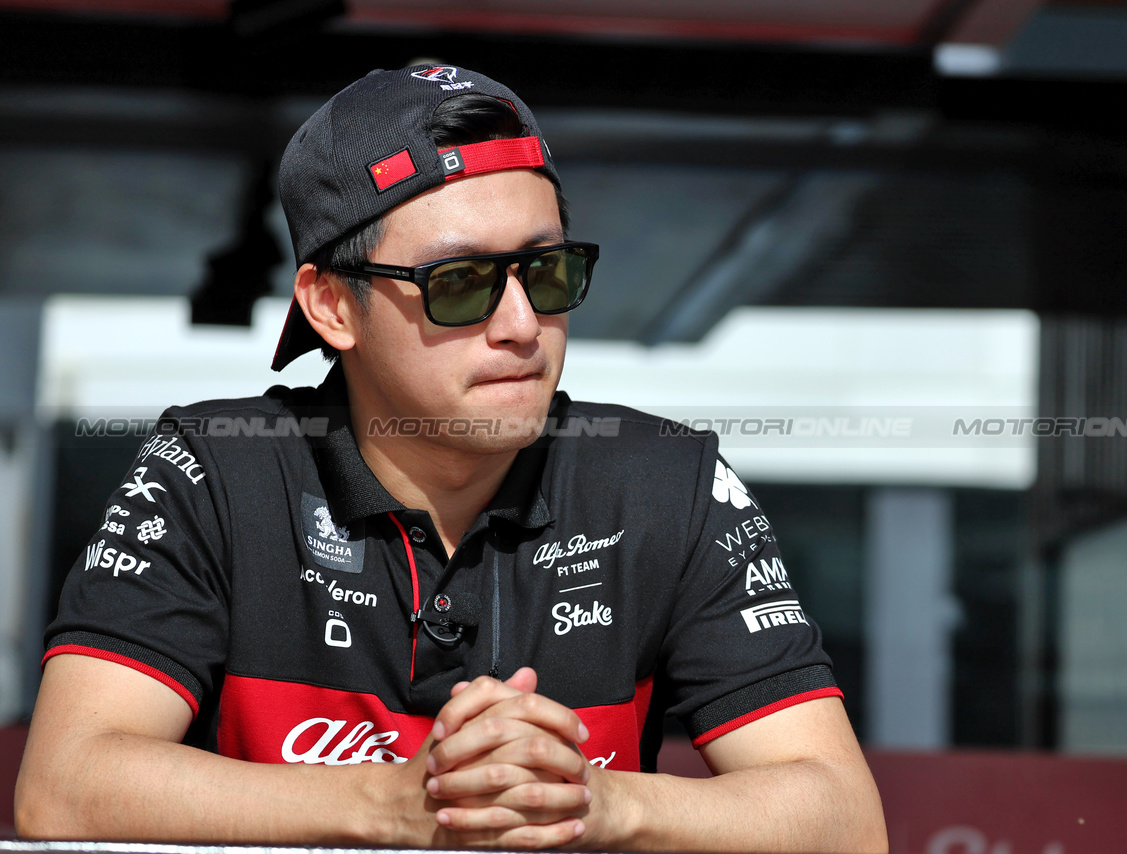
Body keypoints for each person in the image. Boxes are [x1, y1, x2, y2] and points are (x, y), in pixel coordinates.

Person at [15, 65, 887, 852]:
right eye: (461, 283)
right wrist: (395, 805)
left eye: (545, 273)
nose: (519, 325)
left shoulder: (668, 483)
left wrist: (602, 805)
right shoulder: (212, 470)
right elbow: (64, 786)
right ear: (331, 308)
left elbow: (843, 819)